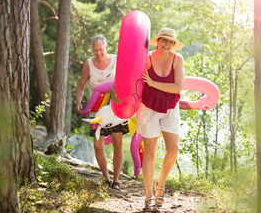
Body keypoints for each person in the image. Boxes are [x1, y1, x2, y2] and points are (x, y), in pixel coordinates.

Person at [138, 28, 184, 212]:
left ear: (173, 44)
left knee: (173, 149)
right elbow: (135, 79)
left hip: (170, 108)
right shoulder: (147, 58)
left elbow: (177, 88)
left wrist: (153, 82)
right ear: (158, 41)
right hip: (148, 107)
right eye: (163, 40)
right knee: (150, 152)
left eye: (170, 42)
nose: (166, 45)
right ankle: (148, 196)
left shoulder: (177, 59)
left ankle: (160, 186)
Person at [75, 34, 128, 191]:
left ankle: (116, 180)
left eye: (100, 50)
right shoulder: (89, 64)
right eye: (95, 50)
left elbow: (127, 80)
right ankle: (106, 178)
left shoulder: (117, 60)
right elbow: (80, 87)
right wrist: (78, 101)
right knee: (98, 145)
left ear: (106, 47)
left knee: (117, 144)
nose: (98, 53)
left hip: (116, 110)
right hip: (97, 111)